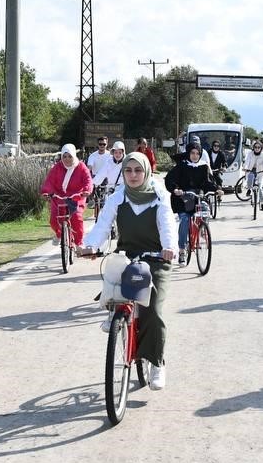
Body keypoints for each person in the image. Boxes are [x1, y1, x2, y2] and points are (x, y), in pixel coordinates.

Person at [80, 152, 178, 391]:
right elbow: (103, 224)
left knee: (152, 310)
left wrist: (169, 248)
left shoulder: (159, 196)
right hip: (128, 255)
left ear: (146, 172)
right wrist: (92, 245)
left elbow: (167, 223)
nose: (133, 175)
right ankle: (115, 313)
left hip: (156, 258)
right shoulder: (118, 196)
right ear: (122, 173)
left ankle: (156, 362)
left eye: (138, 170)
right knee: (113, 276)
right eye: (128, 170)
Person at [164, 141, 217, 265]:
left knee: (205, 210)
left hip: (198, 197)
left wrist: (217, 189)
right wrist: (175, 189)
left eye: (197, 153)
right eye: (192, 153)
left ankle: (203, 230)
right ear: (188, 153)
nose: (195, 156)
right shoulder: (182, 166)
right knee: (184, 220)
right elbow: (170, 179)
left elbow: (208, 182)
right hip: (183, 198)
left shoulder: (204, 167)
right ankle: (182, 250)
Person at [40, 143, 93, 247]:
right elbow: (49, 181)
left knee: (76, 219)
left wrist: (86, 191)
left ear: (74, 155)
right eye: (64, 156)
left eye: (69, 156)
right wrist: (46, 192)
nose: (67, 159)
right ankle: (60, 234)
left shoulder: (81, 167)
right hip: (59, 197)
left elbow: (88, 180)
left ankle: (78, 243)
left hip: (76, 196)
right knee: (54, 220)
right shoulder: (57, 167)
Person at [243, 139, 263, 207]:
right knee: (250, 180)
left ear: (261, 148)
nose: (257, 149)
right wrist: (245, 167)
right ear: (253, 148)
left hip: (261, 172)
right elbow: (247, 161)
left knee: (260, 187)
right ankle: (249, 189)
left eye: (259, 147)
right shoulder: (250, 154)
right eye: (255, 147)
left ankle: (262, 203)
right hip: (251, 170)